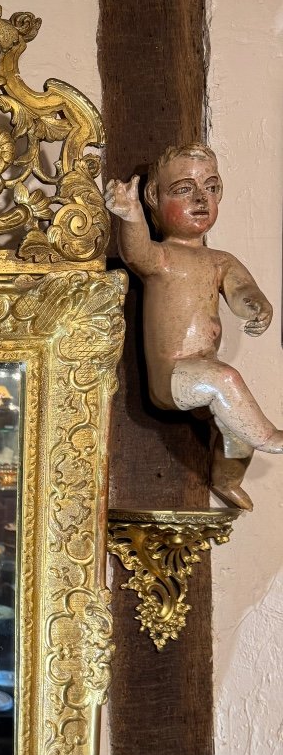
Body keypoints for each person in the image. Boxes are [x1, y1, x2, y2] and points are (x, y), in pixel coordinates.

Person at [105, 144, 283, 510]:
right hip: (174, 376)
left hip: (203, 371)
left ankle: (227, 478)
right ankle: (272, 437)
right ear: (154, 197)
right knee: (228, 383)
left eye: (211, 187)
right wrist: (131, 215)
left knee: (236, 430)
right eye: (184, 189)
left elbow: (242, 291)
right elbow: (135, 252)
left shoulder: (220, 260)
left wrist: (255, 307)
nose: (201, 198)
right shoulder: (163, 257)